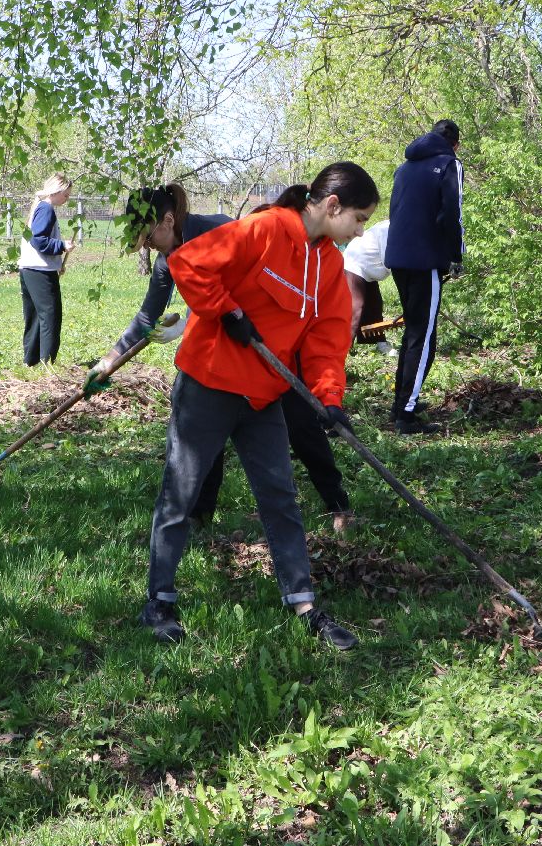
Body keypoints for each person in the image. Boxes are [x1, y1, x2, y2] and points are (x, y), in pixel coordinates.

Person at [136, 162, 380, 651]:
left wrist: (329, 398)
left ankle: (304, 604)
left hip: (264, 394)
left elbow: (327, 340)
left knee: (280, 498)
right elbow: (190, 264)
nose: (360, 230)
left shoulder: (330, 263)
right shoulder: (265, 228)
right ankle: (159, 600)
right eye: (358, 218)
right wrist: (228, 312)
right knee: (180, 493)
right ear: (332, 206)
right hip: (209, 382)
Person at [89, 185, 354, 534]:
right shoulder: (167, 261)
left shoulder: (217, 229)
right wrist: (109, 360)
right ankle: (200, 516)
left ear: (168, 220)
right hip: (221, 358)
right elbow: (146, 317)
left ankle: (337, 503)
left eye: (148, 236)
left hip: (273, 350)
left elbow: (243, 282)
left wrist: (193, 317)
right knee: (203, 432)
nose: (148, 245)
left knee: (302, 424)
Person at [385, 119, 464, 435]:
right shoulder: (449, 164)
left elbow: (395, 211)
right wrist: (455, 255)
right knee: (425, 336)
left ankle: (400, 403)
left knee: (414, 333)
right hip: (425, 260)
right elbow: (452, 212)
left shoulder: (404, 167)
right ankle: (406, 415)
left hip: (398, 258)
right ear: (454, 144)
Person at [19, 173, 75, 367]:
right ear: (56, 191)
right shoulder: (46, 209)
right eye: (66, 195)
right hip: (40, 271)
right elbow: (39, 240)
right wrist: (61, 246)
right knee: (50, 316)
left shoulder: (39, 207)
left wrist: (57, 262)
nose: (66, 199)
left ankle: (31, 361)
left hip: (29, 269)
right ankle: (46, 362)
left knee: (35, 316)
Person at [341, 219, 395, 356]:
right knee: (355, 309)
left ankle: (380, 343)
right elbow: (389, 259)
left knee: (375, 306)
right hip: (355, 265)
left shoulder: (407, 230)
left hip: (369, 272)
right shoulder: (387, 228)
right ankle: (342, 351)